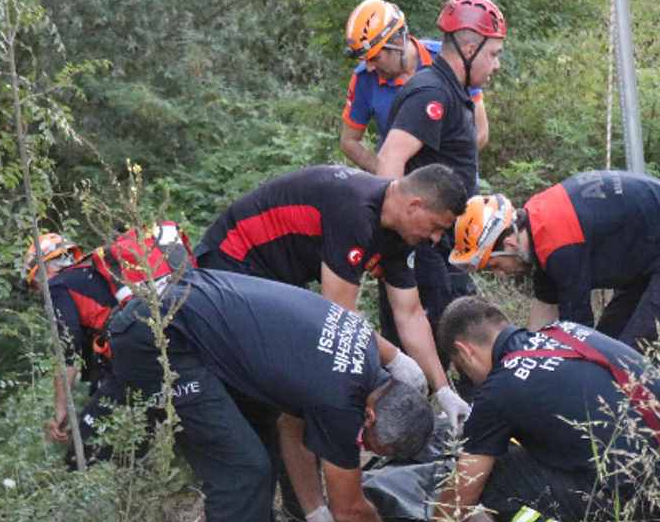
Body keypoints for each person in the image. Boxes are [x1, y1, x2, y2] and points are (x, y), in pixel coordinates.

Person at [109, 269, 434, 522]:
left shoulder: (364, 357)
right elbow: (351, 512)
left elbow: (289, 424)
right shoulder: (342, 402)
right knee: (242, 472)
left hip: (191, 309)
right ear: (369, 417)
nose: (364, 449)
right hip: (154, 334)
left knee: (260, 423)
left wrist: (313, 511)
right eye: (372, 445)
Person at [419, 297, 660, 522]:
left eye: (462, 369)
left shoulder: (498, 390)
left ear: (464, 352)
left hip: (659, 501)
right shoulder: (565, 332)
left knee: (494, 473)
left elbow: (464, 486)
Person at [192, 164, 471, 426]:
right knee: (272, 391)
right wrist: (394, 358)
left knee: (300, 392)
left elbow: (409, 313)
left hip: (282, 279)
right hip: (233, 263)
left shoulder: (403, 234)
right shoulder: (355, 209)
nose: (436, 238)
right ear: (414, 205)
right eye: (437, 227)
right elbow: (338, 311)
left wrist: (443, 389)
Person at [449, 172, 660, 358]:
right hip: (650, 254)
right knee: (611, 346)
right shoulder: (537, 225)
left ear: (508, 244)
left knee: (633, 359)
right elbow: (544, 306)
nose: (499, 273)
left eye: (493, 265)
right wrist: (523, 362)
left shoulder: (561, 249)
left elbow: (578, 335)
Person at [374, 0, 507, 361]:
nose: (496, 65)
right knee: (430, 337)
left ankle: (464, 413)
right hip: (423, 244)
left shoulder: (454, 90)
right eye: (493, 54)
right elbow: (389, 160)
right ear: (469, 47)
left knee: (458, 331)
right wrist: (394, 238)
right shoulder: (431, 91)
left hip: (445, 241)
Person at [340, 0, 488, 174]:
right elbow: (349, 141)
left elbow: (480, 133)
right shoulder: (364, 78)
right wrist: (384, 169)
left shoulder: (450, 60)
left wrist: (438, 179)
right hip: (399, 190)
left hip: (455, 184)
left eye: (374, 58)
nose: (370, 66)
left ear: (397, 45)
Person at [23, 232, 128, 471]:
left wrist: (61, 409)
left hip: (131, 355)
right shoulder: (94, 273)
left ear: (44, 272)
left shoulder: (57, 286)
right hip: (149, 343)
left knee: (79, 457)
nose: (40, 291)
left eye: (36, 285)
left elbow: (66, 347)